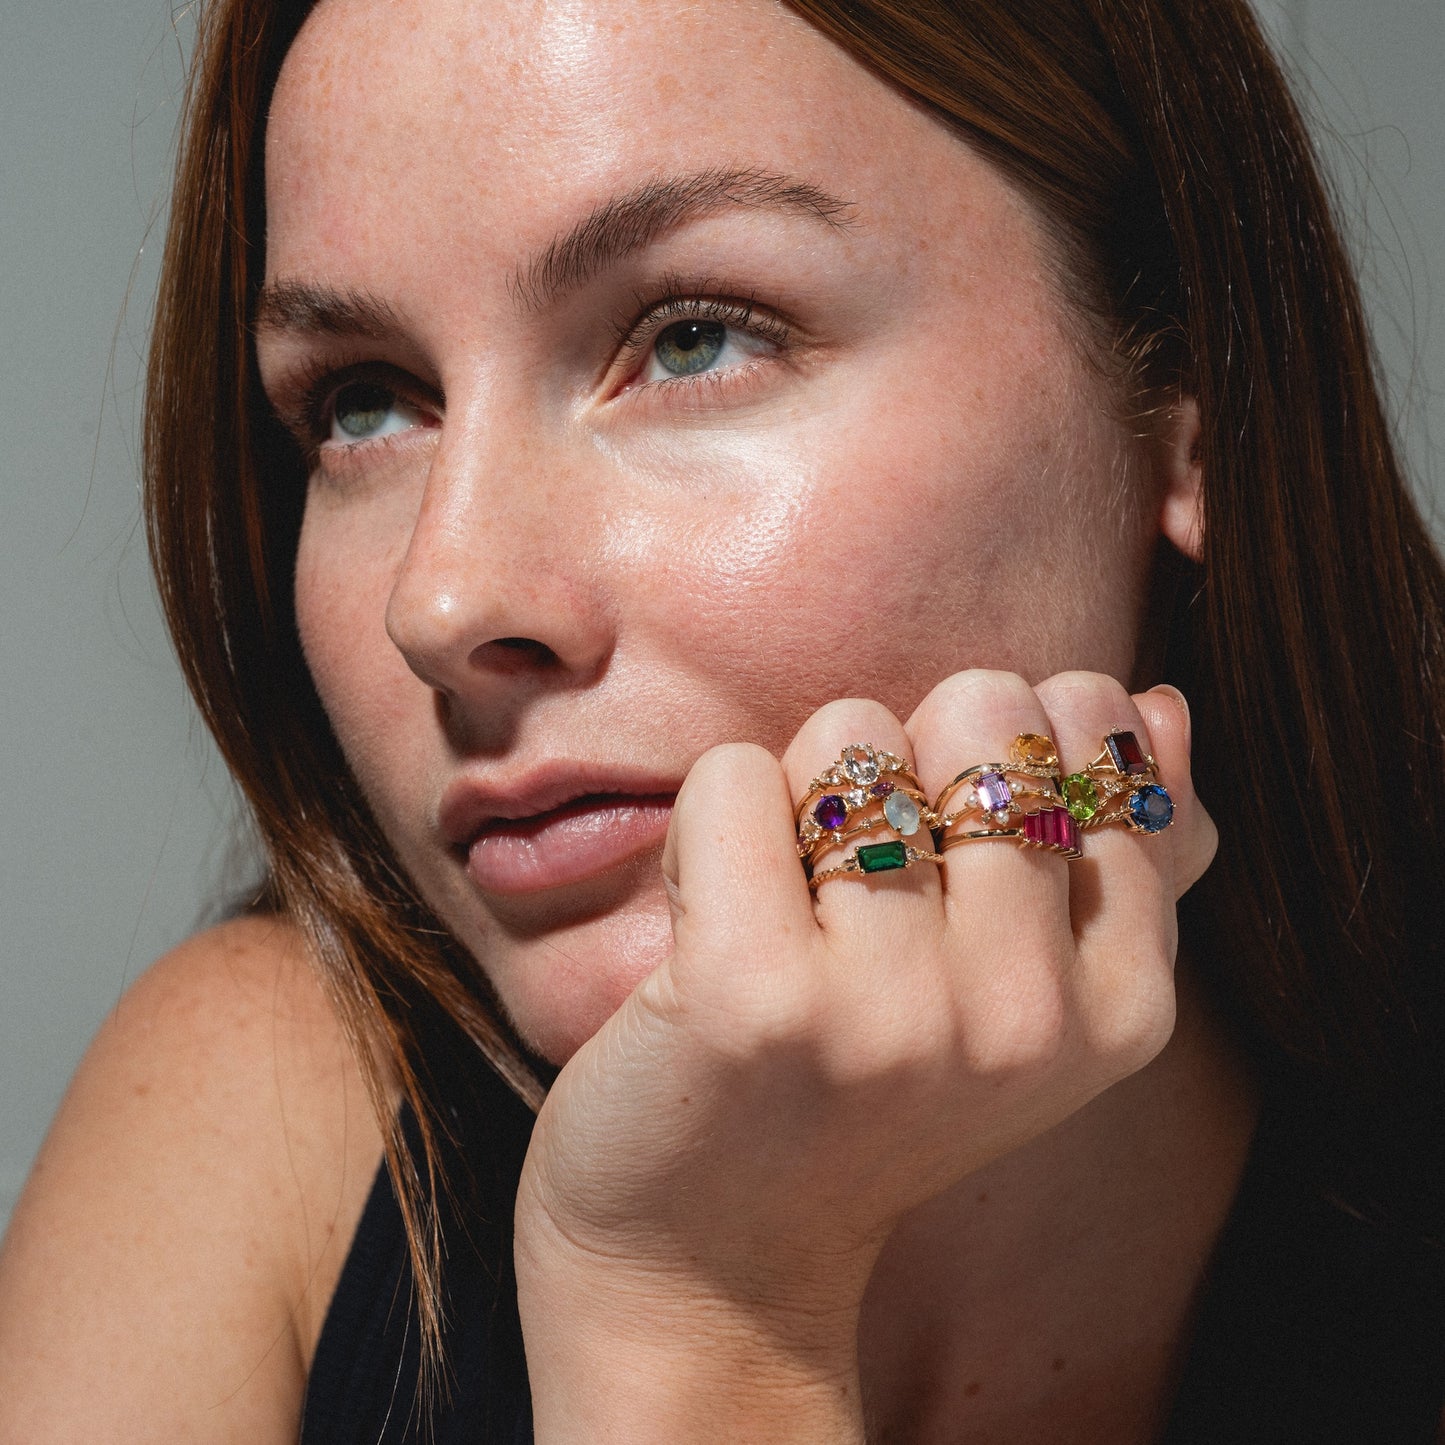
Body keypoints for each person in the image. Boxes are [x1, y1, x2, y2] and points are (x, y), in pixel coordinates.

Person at [2, 0, 1443, 1438]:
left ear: (1187, 406)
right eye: (366, 403)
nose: (439, 600)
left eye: (692, 338)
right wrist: (689, 1314)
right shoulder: (255, 1125)